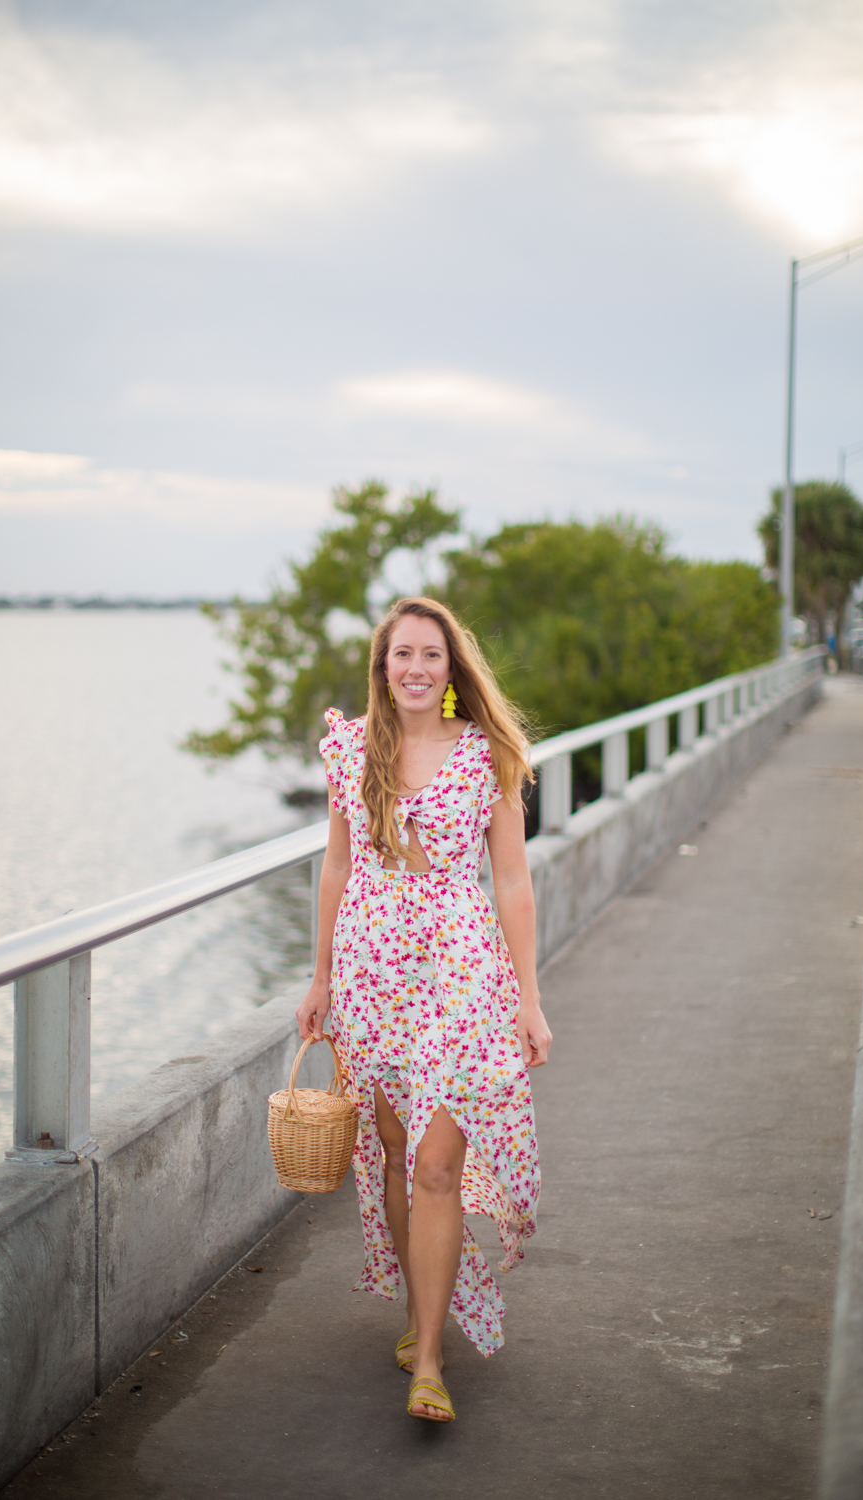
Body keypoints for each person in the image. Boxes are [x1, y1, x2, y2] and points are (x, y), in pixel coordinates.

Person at [296, 596, 552, 1424]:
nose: (415, 667)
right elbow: (336, 870)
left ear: (451, 670)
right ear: (383, 667)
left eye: (431, 656)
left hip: (462, 978)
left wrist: (530, 1000)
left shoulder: (487, 756)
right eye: (401, 654)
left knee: (438, 1162)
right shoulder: (351, 751)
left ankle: (431, 1363)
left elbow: (511, 881)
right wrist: (321, 977)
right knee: (397, 1154)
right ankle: (418, 1313)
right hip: (374, 980)